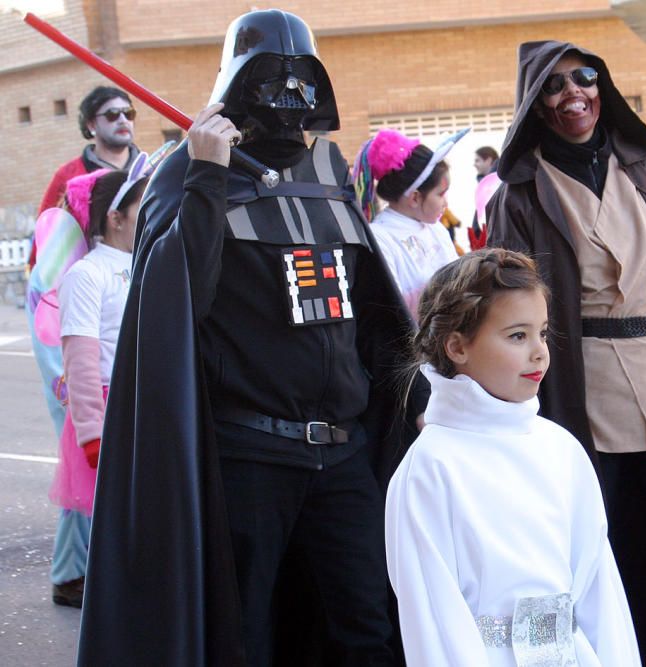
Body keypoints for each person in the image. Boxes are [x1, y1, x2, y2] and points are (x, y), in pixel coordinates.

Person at [78, 10, 424, 666]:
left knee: (367, 624)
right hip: (251, 456)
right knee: (245, 634)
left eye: (302, 81)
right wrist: (208, 176)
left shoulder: (327, 167)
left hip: (343, 455)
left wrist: (416, 390)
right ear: (235, 82)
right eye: (270, 79)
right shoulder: (189, 169)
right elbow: (178, 300)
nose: (288, 99)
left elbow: (370, 308)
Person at [487, 40, 646, 665]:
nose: (574, 95)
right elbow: (503, 307)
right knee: (599, 552)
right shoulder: (520, 194)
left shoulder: (644, 171)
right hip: (584, 395)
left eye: (584, 79)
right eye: (556, 87)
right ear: (536, 106)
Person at [386, 248, 641, 666]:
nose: (539, 351)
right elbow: (434, 622)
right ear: (457, 347)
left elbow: (601, 595)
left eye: (542, 332)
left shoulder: (561, 449)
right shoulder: (431, 468)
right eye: (517, 336)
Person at [49, 161, 149, 608]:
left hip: (146, 407)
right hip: (111, 413)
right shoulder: (87, 275)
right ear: (116, 216)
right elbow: (82, 360)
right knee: (117, 526)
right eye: (142, 204)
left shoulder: (146, 264)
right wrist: (92, 433)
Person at [354, 128, 462, 318]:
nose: (446, 202)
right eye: (440, 194)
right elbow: (390, 309)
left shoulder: (436, 229)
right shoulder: (380, 238)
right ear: (414, 197)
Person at [31, 86, 141, 269]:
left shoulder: (152, 171)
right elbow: (45, 236)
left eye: (128, 113)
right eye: (112, 114)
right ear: (91, 125)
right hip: (88, 282)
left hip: (142, 277)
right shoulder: (68, 176)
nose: (123, 120)